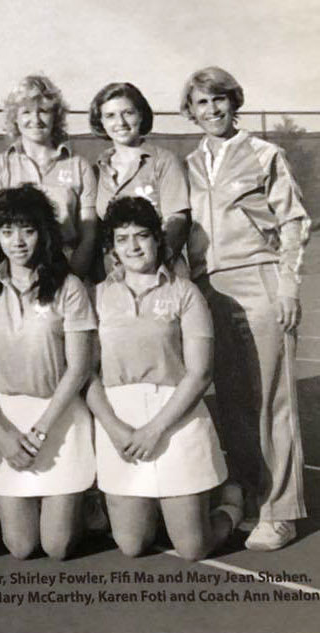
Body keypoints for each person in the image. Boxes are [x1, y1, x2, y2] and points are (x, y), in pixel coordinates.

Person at [180, 67, 310, 550]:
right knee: (231, 401)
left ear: (234, 102)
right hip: (208, 289)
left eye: (219, 100)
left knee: (272, 399)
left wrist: (288, 286)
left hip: (259, 280)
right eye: (201, 103)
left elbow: (294, 223)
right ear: (190, 111)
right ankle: (247, 498)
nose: (211, 110)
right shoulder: (189, 163)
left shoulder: (264, 155)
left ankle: (281, 511)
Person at [84, 196, 242, 560]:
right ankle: (159, 508)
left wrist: (155, 429)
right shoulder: (97, 296)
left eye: (142, 236)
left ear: (158, 240)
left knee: (192, 548)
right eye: (122, 239)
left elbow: (200, 372)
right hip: (119, 424)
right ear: (112, 249)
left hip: (176, 419)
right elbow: (86, 374)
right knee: (132, 545)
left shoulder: (185, 293)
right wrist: (114, 428)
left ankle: (231, 505)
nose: (133, 246)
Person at [0, 184, 95, 560]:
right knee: (22, 547)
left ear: (44, 232)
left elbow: (78, 369)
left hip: (58, 417)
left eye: (28, 230)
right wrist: (2, 432)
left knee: (56, 547)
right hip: (5, 420)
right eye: (7, 231)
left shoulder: (69, 286)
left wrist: (41, 430)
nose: (18, 241)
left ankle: (87, 505)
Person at [0, 75, 98, 281]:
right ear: (14, 118)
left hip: (67, 270)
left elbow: (88, 235)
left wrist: (69, 280)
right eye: (26, 112)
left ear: (56, 116)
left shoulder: (79, 166)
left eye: (43, 111)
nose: (36, 119)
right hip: (14, 274)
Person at [88, 82, 190, 280]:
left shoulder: (163, 161)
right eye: (110, 115)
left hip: (161, 274)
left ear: (141, 115)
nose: (121, 122)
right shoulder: (96, 170)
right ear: (100, 121)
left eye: (128, 113)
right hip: (114, 279)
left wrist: (149, 269)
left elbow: (177, 222)